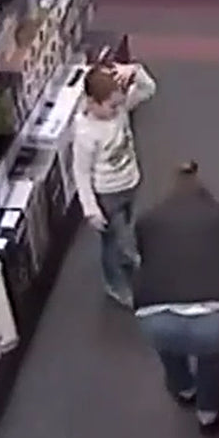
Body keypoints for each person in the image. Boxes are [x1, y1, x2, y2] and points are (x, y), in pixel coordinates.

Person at [132, 161, 219, 432]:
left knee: (168, 348)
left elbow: (144, 258)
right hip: (214, 314)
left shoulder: (146, 220)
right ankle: (208, 413)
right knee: (212, 360)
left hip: (155, 313)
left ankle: (183, 388)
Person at [72, 60, 157, 307]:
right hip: (107, 196)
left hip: (129, 183)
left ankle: (127, 256)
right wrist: (90, 209)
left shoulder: (119, 110)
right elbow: (80, 172)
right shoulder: (86, 133)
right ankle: (115, 284)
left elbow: (148, 89)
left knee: (125, 227)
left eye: (120, 103)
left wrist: (135, 70)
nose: (118, 109)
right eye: (112, 106)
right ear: (92, 102)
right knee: (113, 241)